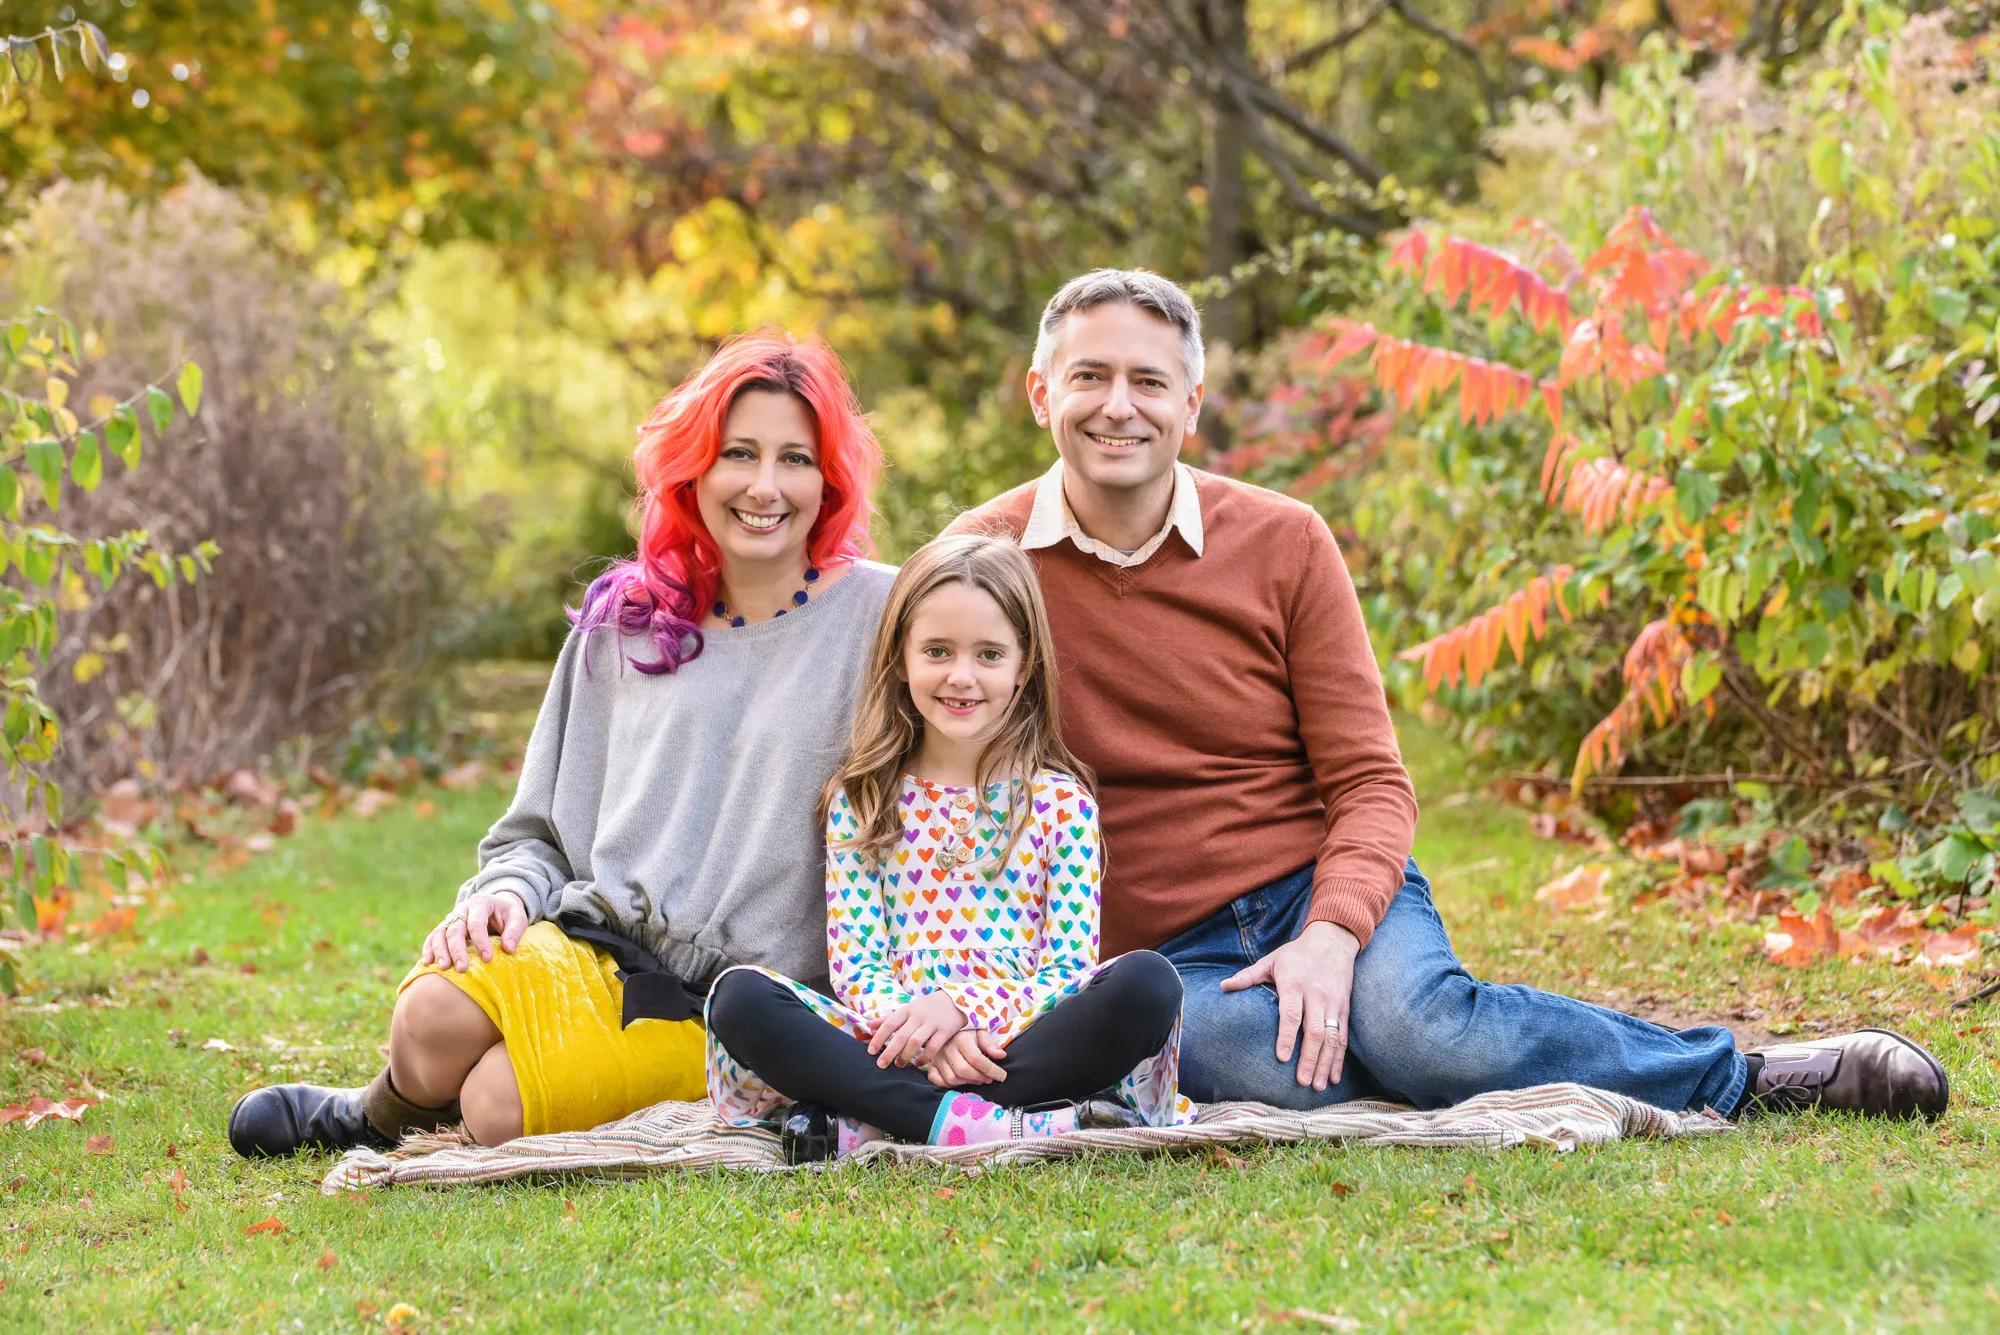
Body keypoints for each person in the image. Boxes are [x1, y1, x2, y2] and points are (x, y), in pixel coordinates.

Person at [947, 269, 1949, 1122]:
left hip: (1315, 881)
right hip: (1153, 948)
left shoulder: (1283, 539)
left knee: (1421, 1032)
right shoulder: (978, 561)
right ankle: (1435, 1055)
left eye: (1146, 381)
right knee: (1263, 1065)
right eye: (1089, 377)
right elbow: (935, 778)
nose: (1116, 405)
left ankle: (1738, 1076)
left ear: (1190, 402)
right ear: (1041, 393)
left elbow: (1372, 782)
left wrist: (1332, 934)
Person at [228, 331, 898, 1157]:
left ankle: (454, 1109)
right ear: (695, 467)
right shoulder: (629, 622)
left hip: (740, 1007)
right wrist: (504, 892)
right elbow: (538, 829)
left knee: (496, 1103)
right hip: (593, 945)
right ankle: (379, 1115)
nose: (765, 486)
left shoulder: (882, 618)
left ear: (828, 477)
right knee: (427, 1020)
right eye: (739, 454)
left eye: (795, 458)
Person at [703, 535, 1191, 1159]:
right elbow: (858, 966)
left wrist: (964, 1011)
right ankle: (994, 1121)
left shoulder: (1060, 804)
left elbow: (1066, 967)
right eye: (937, 651)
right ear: (900, 660)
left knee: (1147, 984)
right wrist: (922, 1031)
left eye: (989, 654)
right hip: (889, 1037)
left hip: (1019, 1035)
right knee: (741, 999)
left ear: (1025, 665)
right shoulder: (864, 800)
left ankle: (881, 1118)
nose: (962, 676)